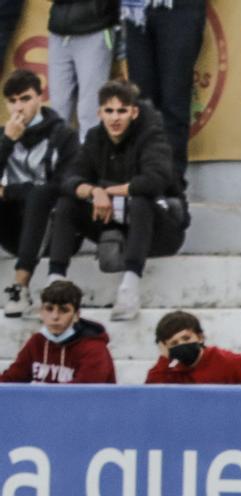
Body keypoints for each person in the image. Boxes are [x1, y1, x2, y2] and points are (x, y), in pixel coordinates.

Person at [46, 80, 188, 322]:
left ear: (134, 112)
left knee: (140, 200)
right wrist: (93, 192)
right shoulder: (94, 137)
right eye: (109, 111)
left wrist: (106, 191)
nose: (115, 118)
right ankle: (54, 284)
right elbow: (70, 178)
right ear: (99, 113)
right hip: (114, 221)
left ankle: (129, 289)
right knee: (68, 203)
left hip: (161, 229)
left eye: (122, 110)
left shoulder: (152, 134)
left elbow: (155, 180)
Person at [0, 71, 79, 317]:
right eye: (12, 101)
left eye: (25, 99)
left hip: (57, 231)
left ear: (39, 98)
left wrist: (12, 191)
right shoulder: (4, 135)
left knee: (41, 193)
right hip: (15, 230)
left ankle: (20, 286)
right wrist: (7, 141)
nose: (19, 107)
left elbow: (64, 185)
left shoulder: (63, 134)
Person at [120, 0, 206, 189]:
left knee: (174, 101)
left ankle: (171, 185)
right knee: (142, 105)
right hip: (137, 10)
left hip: (180, 9)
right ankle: (144, 180)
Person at [0, 277, 112, 382]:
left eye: (64, 310)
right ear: (41, 312)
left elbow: (85, 395)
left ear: (76, 315)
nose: (55, 317)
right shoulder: (37, 342)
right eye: (49, 309)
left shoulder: (94, 348)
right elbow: (11, 378)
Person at [143, 310, 241, 384]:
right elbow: (152, 399)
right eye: (174, 343)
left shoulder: (231, 362)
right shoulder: (171, 373)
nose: (181, 345)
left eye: (186, 338)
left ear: (200, 337)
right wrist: (164, 359)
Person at [46, 0, 116, 135]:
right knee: (58, 106)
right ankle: (57, 154)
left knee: (90, 109)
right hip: (58, 31)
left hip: (95, 28)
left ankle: (89, 154)